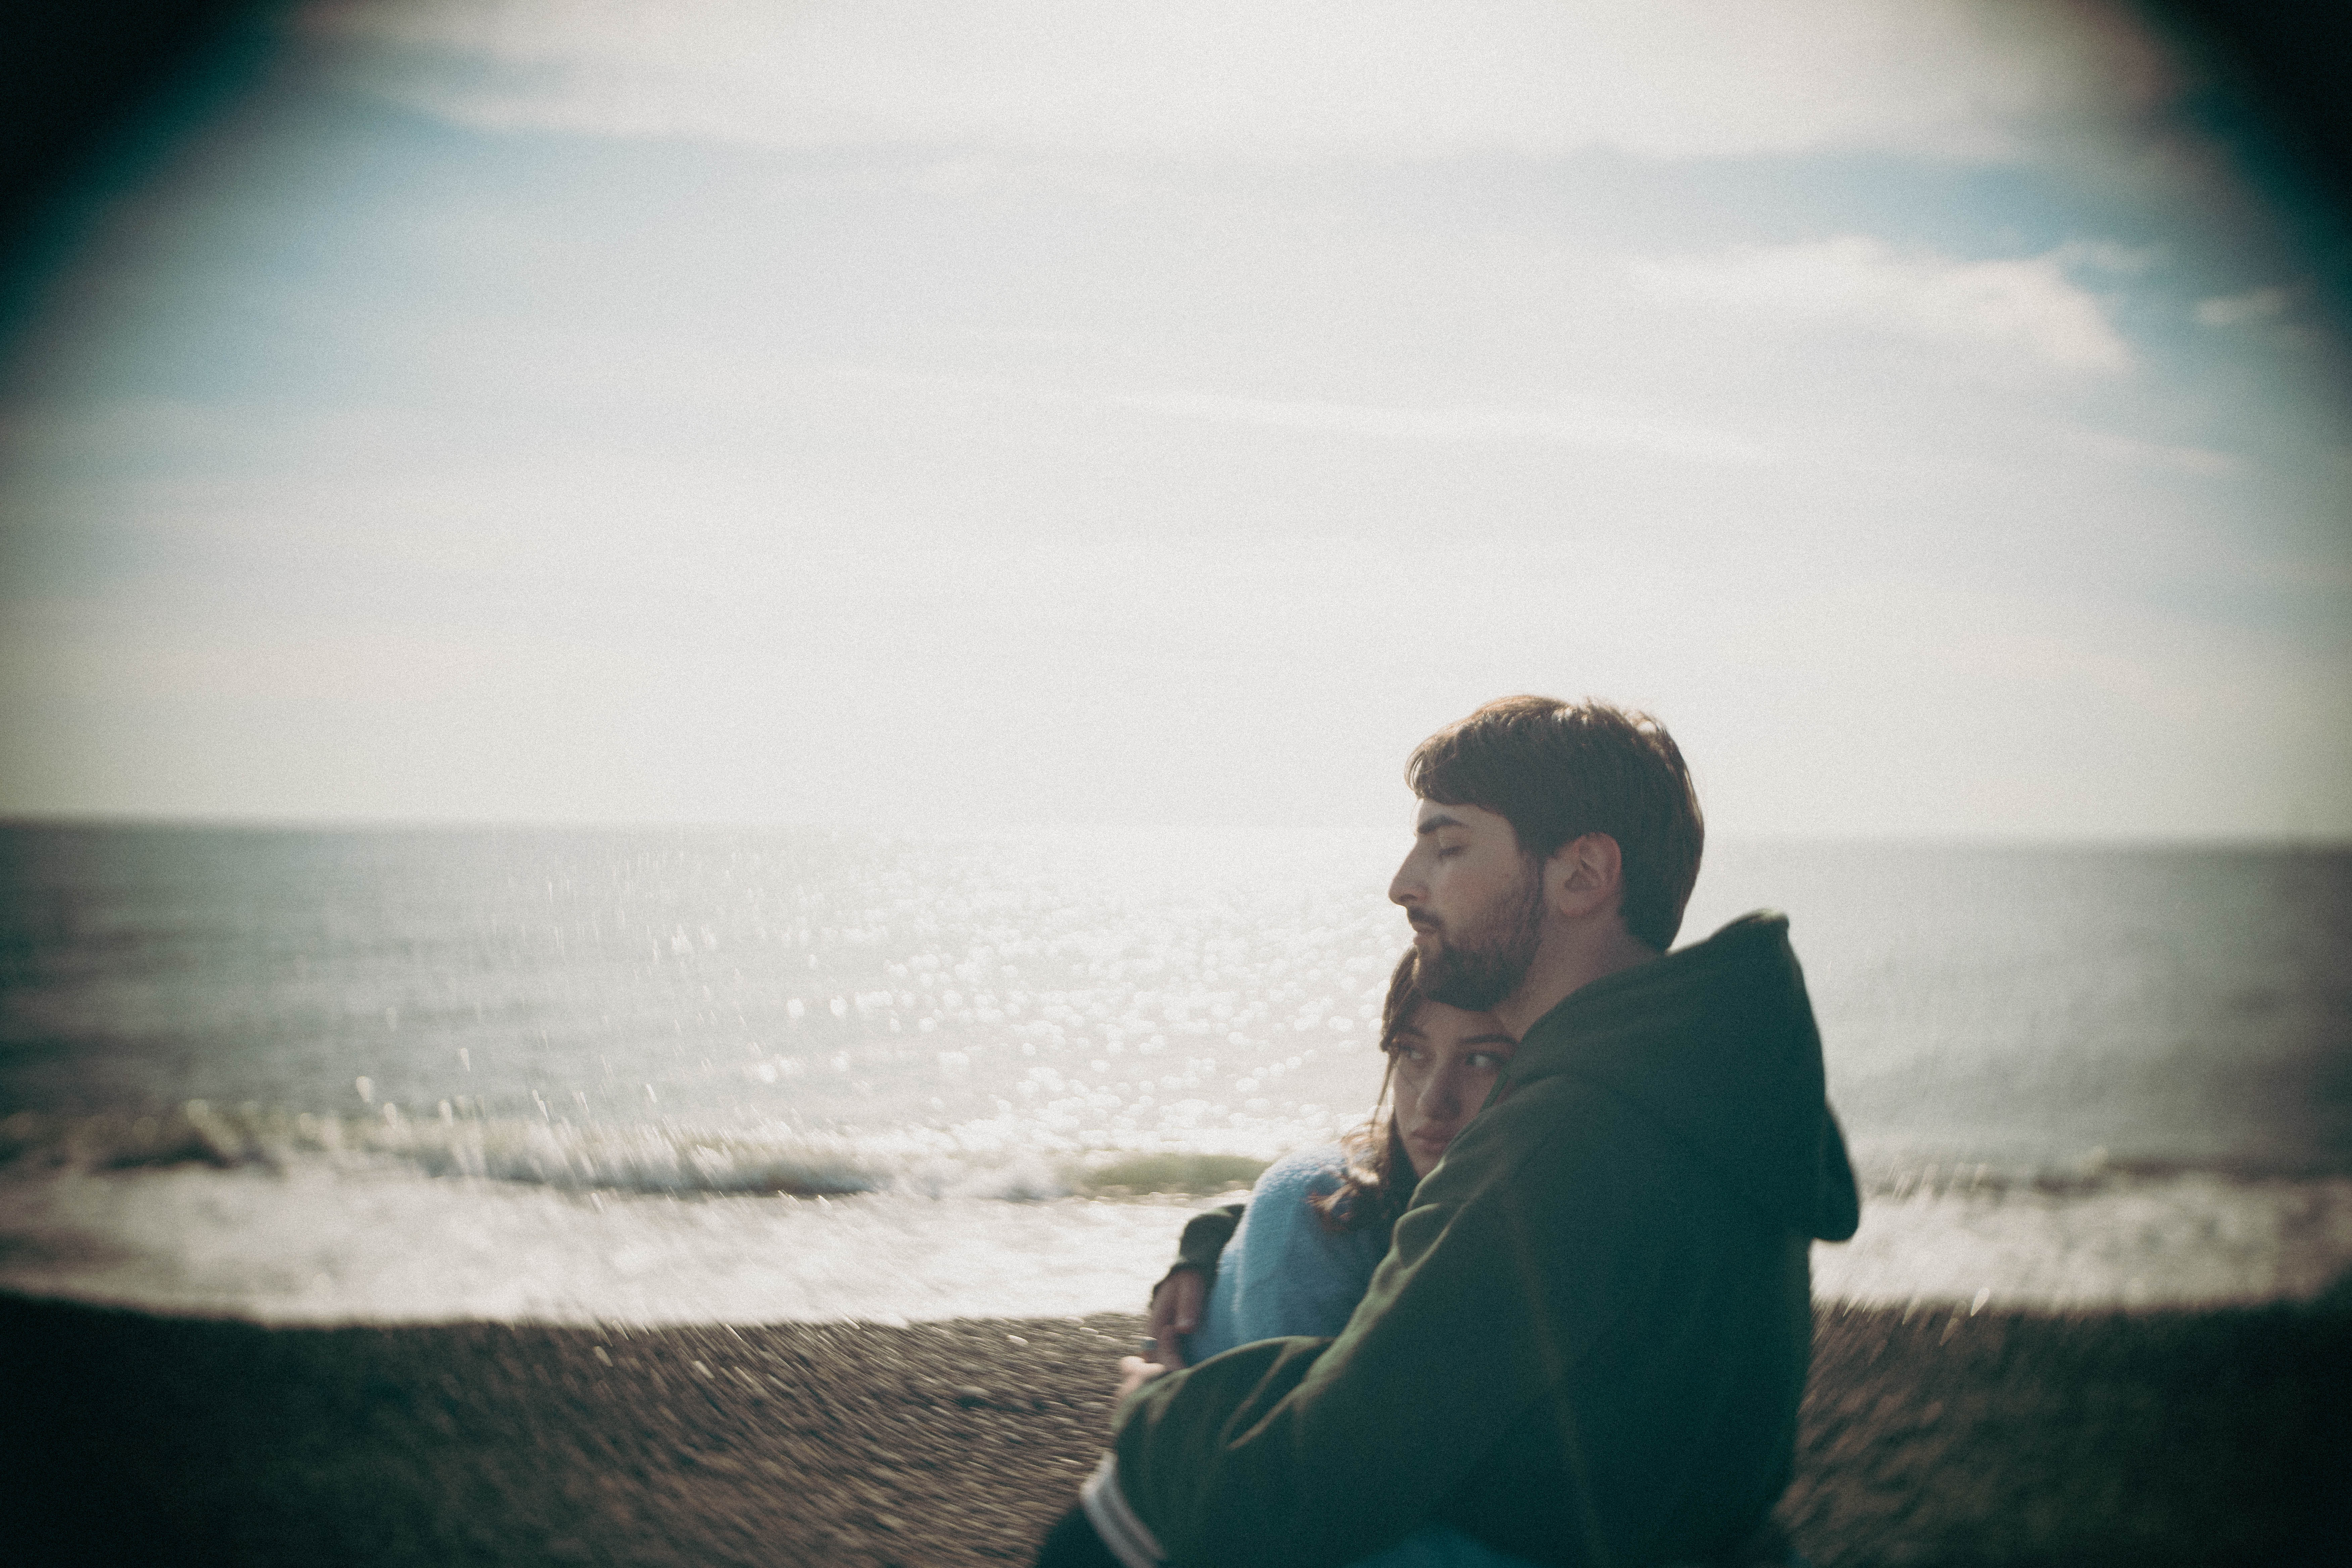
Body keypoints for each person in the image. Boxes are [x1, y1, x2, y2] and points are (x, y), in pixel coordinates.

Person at [1032, 695, 1860, 1568]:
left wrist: (1151, 1408)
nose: (1405, 883)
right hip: (1650, 1530)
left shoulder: (1571, 1134)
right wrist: (1214, 1239)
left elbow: (1317, 1481)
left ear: (1582, 874)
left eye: (1448, 844)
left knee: (1120, 1515)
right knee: (1299, 1192)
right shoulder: (1700, 1076)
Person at [1147, 952, 1515, 1371]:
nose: (1431, 1101)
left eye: (1482, 1060)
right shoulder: (1318, 1207)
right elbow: (1285, 1411)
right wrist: (1151, 1399)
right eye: (1412, 1051)